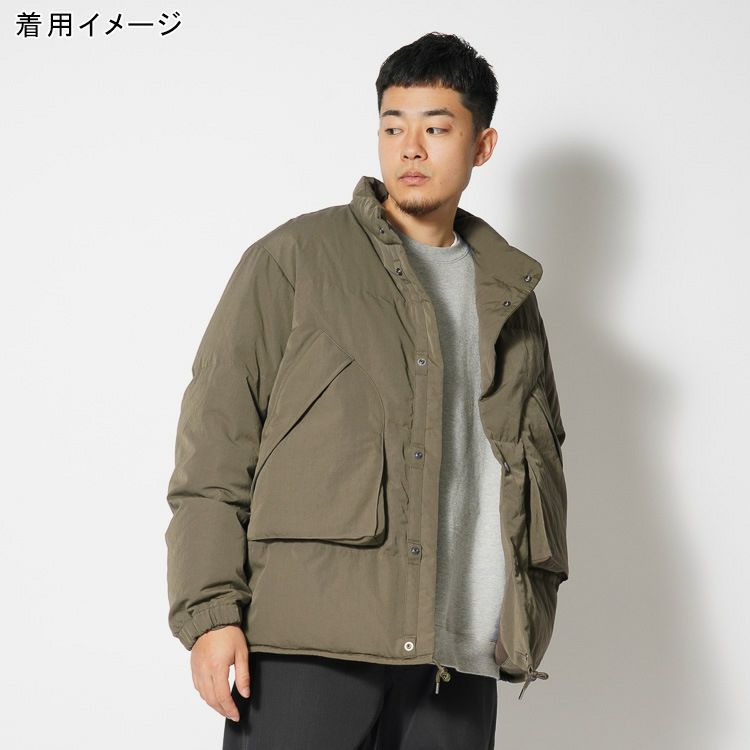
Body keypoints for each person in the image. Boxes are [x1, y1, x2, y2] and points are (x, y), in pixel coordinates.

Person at [165, 31, 570, 750]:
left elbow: (537, 466)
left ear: (482, 145)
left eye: (436, 128)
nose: (410, 149)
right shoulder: (296, 260)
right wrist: (210, 612)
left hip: (460, 657)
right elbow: (216, 445)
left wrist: (526, 610)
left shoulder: (509, 293)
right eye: (392, 127)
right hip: (310, 647)